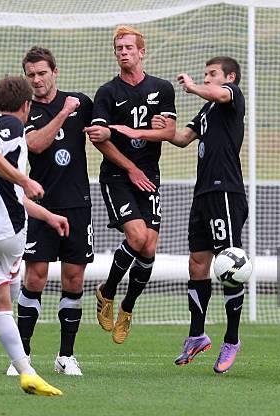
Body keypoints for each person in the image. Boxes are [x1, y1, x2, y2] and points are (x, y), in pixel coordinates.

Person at [0, 75, 67, 396]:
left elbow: (0, 181)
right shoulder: (12, 126)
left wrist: (48, 215)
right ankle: (27, 370)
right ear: (26, 106)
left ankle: (22, 365)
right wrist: (27, 181)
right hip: (5, 229)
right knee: (13, 275)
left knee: (0, 301)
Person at [151, 57, 247, 374]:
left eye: (212, 75)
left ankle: (231, 339)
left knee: (230, 265)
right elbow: (181, 139)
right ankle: (197, 334)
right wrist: (165, 130)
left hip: (225, 193)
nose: (208, 79)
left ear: (229, 77)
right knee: (197, 263)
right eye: (205, 75)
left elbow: (220, 94)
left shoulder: (232, 97)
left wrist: (193, 86)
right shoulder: (207, 110)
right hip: (203, 193)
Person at [3, 47, 93, 377]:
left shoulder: (80, 101)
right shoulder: (24, 111)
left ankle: (66, 356)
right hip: (39, 206)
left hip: (77, 203)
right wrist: (64, 113)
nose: (37, 80)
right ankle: (22, 356)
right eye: (31, 75)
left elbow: (102, 131)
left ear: (55, 71)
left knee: (74, 279)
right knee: (35, 277)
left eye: (42, 73)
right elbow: (37, 145)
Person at [85, 26, 177, 344]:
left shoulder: (162, 89)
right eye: (118, 48)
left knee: (149, 246)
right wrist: (130, 166)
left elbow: (169, 133)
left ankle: (126, 307)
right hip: (117, 175)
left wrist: (139, 133)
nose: (123, 52)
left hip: (149, 174)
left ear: (141, 51)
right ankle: (106, 291)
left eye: (128, 47)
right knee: (137, 237)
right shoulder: (107, 93)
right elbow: (99, 138)